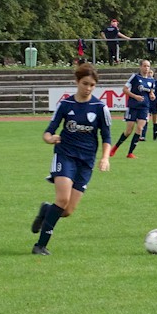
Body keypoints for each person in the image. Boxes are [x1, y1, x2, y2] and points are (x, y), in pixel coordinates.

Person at [30, 63, 111, 255]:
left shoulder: (100, 108)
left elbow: (106, 137)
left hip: (86, 162)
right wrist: (50, 139)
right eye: (85, 83)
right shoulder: (66, 105)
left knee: (66, 210)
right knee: (62, 199)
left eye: (92, 85)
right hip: (65, 156)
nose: (88, 88)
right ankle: (40, 245)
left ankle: (46, 210)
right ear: (77, 81)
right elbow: (49, 131)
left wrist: (105, 158)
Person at [110, 59, 157, 158]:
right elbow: (124, 89)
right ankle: (115, 148)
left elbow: (151, 93)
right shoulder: (135, 77)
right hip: (133, 107)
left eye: (148, 66)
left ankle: (130, 153)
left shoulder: (151, 80)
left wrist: (152, 95)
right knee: (128, 131)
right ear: (140, 67)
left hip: (144, 107)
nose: (146, 68)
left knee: (140, 128)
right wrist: (135, 96)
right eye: (144, 66)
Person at [140, 67, 157, 141]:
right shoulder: (144, 81)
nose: (149, 74)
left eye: (151, 72)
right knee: (146, 119)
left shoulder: (156, 81)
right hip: (147, 102)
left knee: (155, 120)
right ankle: (143, 136)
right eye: (148, 72)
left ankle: (155, 136)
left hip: (155, 102)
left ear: (153, 74)